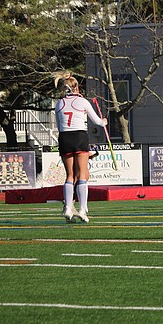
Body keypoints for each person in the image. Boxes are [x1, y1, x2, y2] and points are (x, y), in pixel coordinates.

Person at [54, 74, 108, 223]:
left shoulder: (59, 104)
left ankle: (68, 207)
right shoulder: (82, 101)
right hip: (79, 136)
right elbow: (97, 122)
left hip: (64, 138)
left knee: (70, 175)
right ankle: (83, 209)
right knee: (83, 174)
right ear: (76, 87)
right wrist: (104, 121)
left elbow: (59, 126)